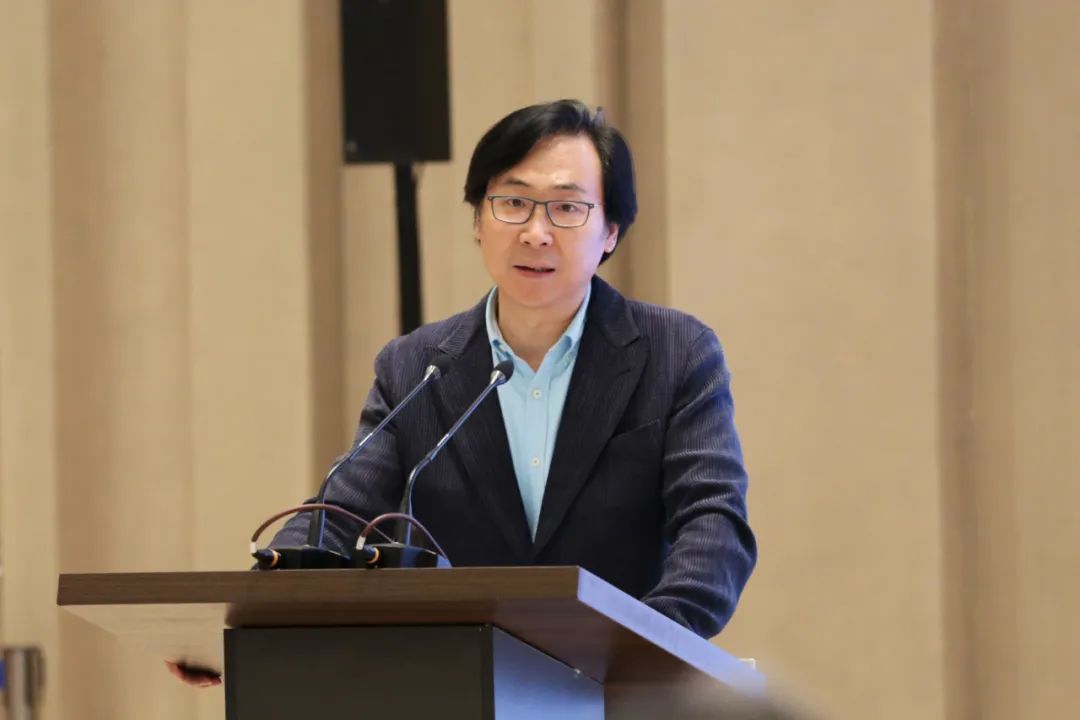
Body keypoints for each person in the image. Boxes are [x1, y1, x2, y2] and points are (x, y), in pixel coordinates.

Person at [169, 99, 756, 686]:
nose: (535, 233)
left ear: (610, 231)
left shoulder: (676, 353)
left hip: (625, 694)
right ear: (478, 219)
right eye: (513, 202)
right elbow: (338, 518)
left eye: (567, 208)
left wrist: (643, 648)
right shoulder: (415, 367)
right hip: (459, 687)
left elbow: (714, 525)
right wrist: (248, 625)